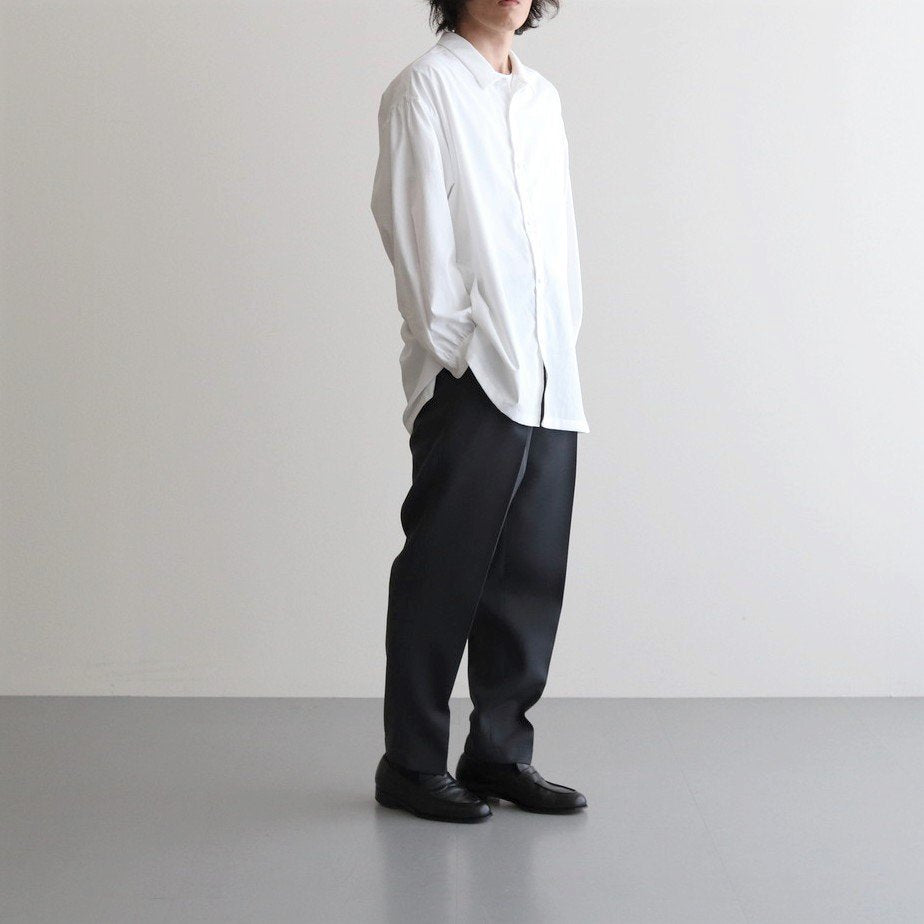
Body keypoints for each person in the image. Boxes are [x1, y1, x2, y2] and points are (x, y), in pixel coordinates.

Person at [369, 0, 589, 822]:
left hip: (548, 374)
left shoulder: (541, 99)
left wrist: (557, 343)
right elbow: (415, 231)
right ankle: (410, 762)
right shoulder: (424, 88)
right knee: (443, 572)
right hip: (473, 372)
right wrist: (464, 351)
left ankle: (499, 752)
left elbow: (557, 238)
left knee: (529, 575)